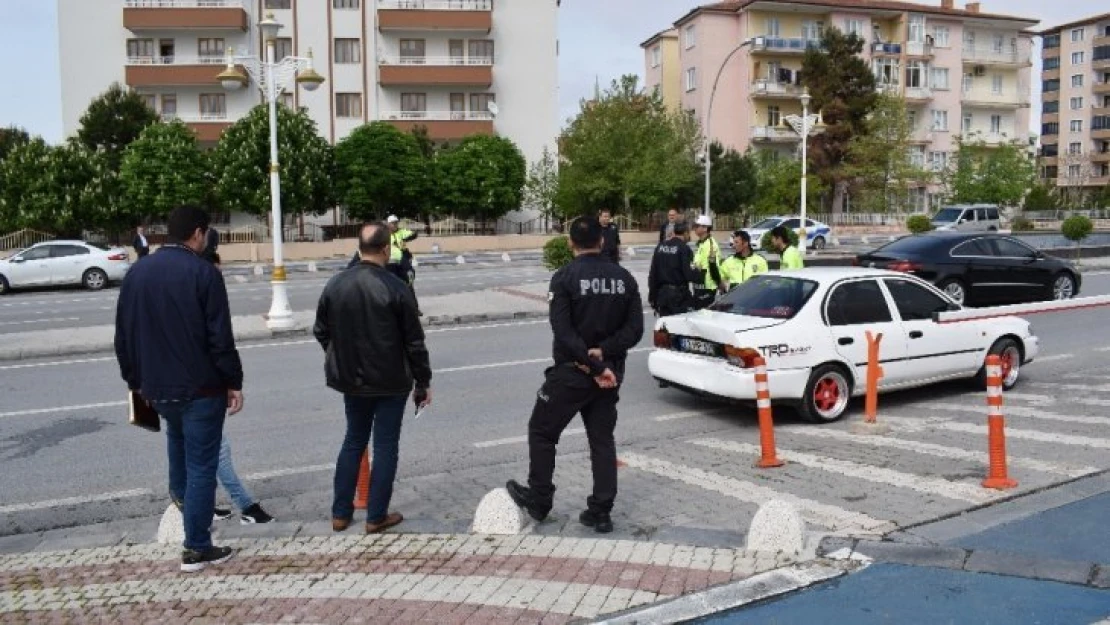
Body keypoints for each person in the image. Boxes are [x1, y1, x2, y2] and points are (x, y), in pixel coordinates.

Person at [114, 205, 243, 573]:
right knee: (202, 465)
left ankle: (182, 502)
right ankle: (197, 547)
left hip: (157, 389)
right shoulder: (203, 274)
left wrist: (134, 382)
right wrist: (233, 381)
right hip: (201, 388)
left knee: (179, 445)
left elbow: (123, 337)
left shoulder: (137, 273)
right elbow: (220, 338)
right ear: (198, 233)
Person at [506, 216, 644, 534]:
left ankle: (539, 498)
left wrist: (593, 363)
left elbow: (564, 332)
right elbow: (635, 330)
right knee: (602, 441)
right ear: (602, 240)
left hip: (573, 373)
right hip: (609, 375)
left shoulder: (564, 277)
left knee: (541, 431)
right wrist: (605, 356)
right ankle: (601, 510)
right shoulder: (624, 278)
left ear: (570, 244)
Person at [314, 222, 432, 535]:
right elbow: (414, 342)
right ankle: (375, 515)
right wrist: (423, 382)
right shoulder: (396, 287)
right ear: (384, 249)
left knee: (353, 441)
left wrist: (340, 354)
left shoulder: (337, 284)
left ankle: (341, 513)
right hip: (391, 379)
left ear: (358, 248)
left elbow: (321, 330)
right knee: (385, 446)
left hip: (352, 380)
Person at [647, 221, 700, 317]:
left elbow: (653, 275)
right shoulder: (685, 249)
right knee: (678, 328)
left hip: (663, 295)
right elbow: (689, 275)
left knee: (665, 327)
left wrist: (652, 297)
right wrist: (698, 270)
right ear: (685, 233)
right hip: (679, 297)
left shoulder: (660, 247)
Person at [387, 215, 422, 315]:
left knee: (408, 285)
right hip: (390, 263)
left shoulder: (401, 232)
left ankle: (414, 309)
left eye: (396, 223)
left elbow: (414, 234)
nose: (395, 225)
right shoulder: (384, 235)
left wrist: (406, 238)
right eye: (393, 223)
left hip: (403, 260)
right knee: (391, 286)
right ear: (388, 224)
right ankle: (394, 309)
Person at [691, 215, 722, 309]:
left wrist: (718, 283)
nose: (694, 228)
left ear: (705, 228)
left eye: (697, 226)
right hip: (698, 285)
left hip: (707, 287)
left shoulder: (711, 245)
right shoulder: (701, 243)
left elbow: (713, 266)